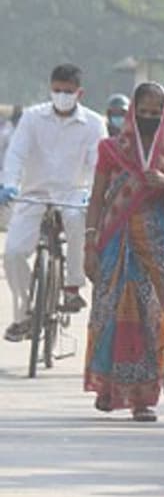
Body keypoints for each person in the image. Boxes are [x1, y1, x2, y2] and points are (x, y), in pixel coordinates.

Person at [83, 82, 164, 422]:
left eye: (156, 113)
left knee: (152, 317)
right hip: (114, 243)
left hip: (156, 249)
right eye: (143, 112)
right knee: (110, 314)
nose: (149, 118)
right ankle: (109, 390)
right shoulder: (111, 149)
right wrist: (89, 244)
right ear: (132, 113)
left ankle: (143, 398)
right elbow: (97, 197)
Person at [1, 64, 106, 342]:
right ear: (50, 88)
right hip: (34, 192)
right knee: (13, 253)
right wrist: (9, 183)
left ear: (79, 93)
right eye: (57, 90)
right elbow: (16, 154)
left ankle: (72, 286)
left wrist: (93, 192)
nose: (62, 96)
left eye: (68, 91)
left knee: (76, 222)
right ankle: (23, 314)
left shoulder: (95, 123)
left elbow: (100, 165)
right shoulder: (33, 118)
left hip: (74, 193)